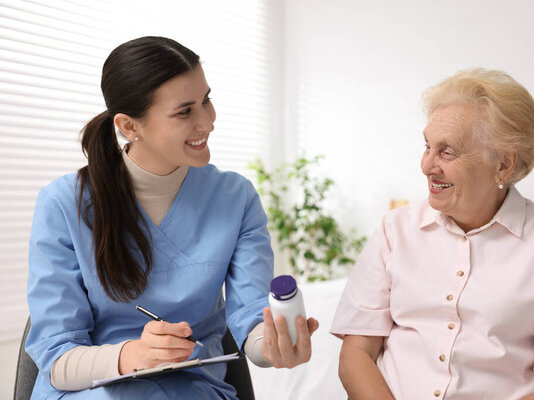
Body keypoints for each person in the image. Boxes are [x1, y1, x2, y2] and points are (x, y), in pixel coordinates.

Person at [26, 36, 318, 400]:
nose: (207, 122)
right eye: (185, 112)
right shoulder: (63, 205)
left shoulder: (235, 198)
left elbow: (250, 319)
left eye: (206, 101)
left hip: (193, 391)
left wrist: (273, 345)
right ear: (130, 127)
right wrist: (132, 355)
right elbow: (56, 359)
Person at [330, 68, 534, 400]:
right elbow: (355, 355)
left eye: (447, 152)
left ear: (503, 164)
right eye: (427, 146)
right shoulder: (394, 230)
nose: (427, 165)